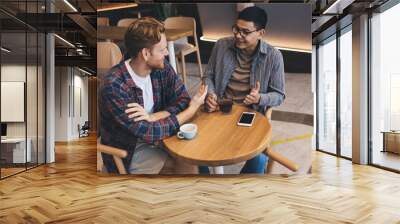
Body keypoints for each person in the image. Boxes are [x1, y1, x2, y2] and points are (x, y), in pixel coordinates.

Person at [99, 17, 207, 174]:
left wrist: (153, 116)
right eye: (162, 49)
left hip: (160, 135)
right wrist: (191, 111)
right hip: (129, 149)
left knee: (194, 155)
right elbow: (149, 132)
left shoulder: (161, 67)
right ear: (145, 53)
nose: (166, 53)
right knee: (187, 165)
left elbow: (183, 99)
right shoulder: (114, 86)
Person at [201, 6, 285, 174]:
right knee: (193, 149)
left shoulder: (273, 56)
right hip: (220, 109)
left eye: (245, 32)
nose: (238, 35)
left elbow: (279, 95)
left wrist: (259, 98)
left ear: (261, 33)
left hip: (251, 114)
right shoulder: (221, 45)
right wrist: (210, 93)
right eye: (236, 29)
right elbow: (208, 76)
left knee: (259, 159)